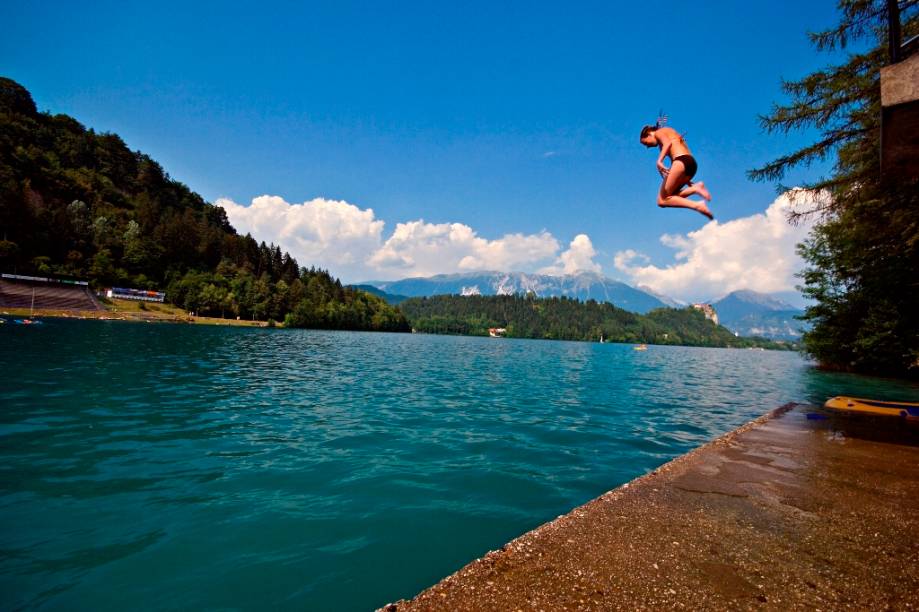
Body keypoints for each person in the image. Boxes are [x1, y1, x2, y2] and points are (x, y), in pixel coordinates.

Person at [640, 121, 713, 220]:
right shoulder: (670, 133)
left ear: (649, 133)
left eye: (645, 143)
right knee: (670, 197)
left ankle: (697, 204)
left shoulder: (659, 132)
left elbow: (668, 144)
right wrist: (684, 179)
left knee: (661, 200)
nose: (648, 147)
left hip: (681, 161)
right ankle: (696, 189)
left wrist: (659, 161)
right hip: (690, 164)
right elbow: (676, 149)